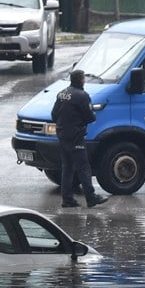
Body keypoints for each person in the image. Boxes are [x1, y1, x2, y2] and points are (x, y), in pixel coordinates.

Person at [51, 69, 107, 207]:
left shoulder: (62, 94)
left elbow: (54, 114)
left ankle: (67, 199)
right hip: (76, 136)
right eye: (83, 79)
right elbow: (89, 117)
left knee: (67, 168)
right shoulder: (82, 96)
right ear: (81, 80)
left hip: (62, 135)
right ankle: (91, 197)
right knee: (83, 167)